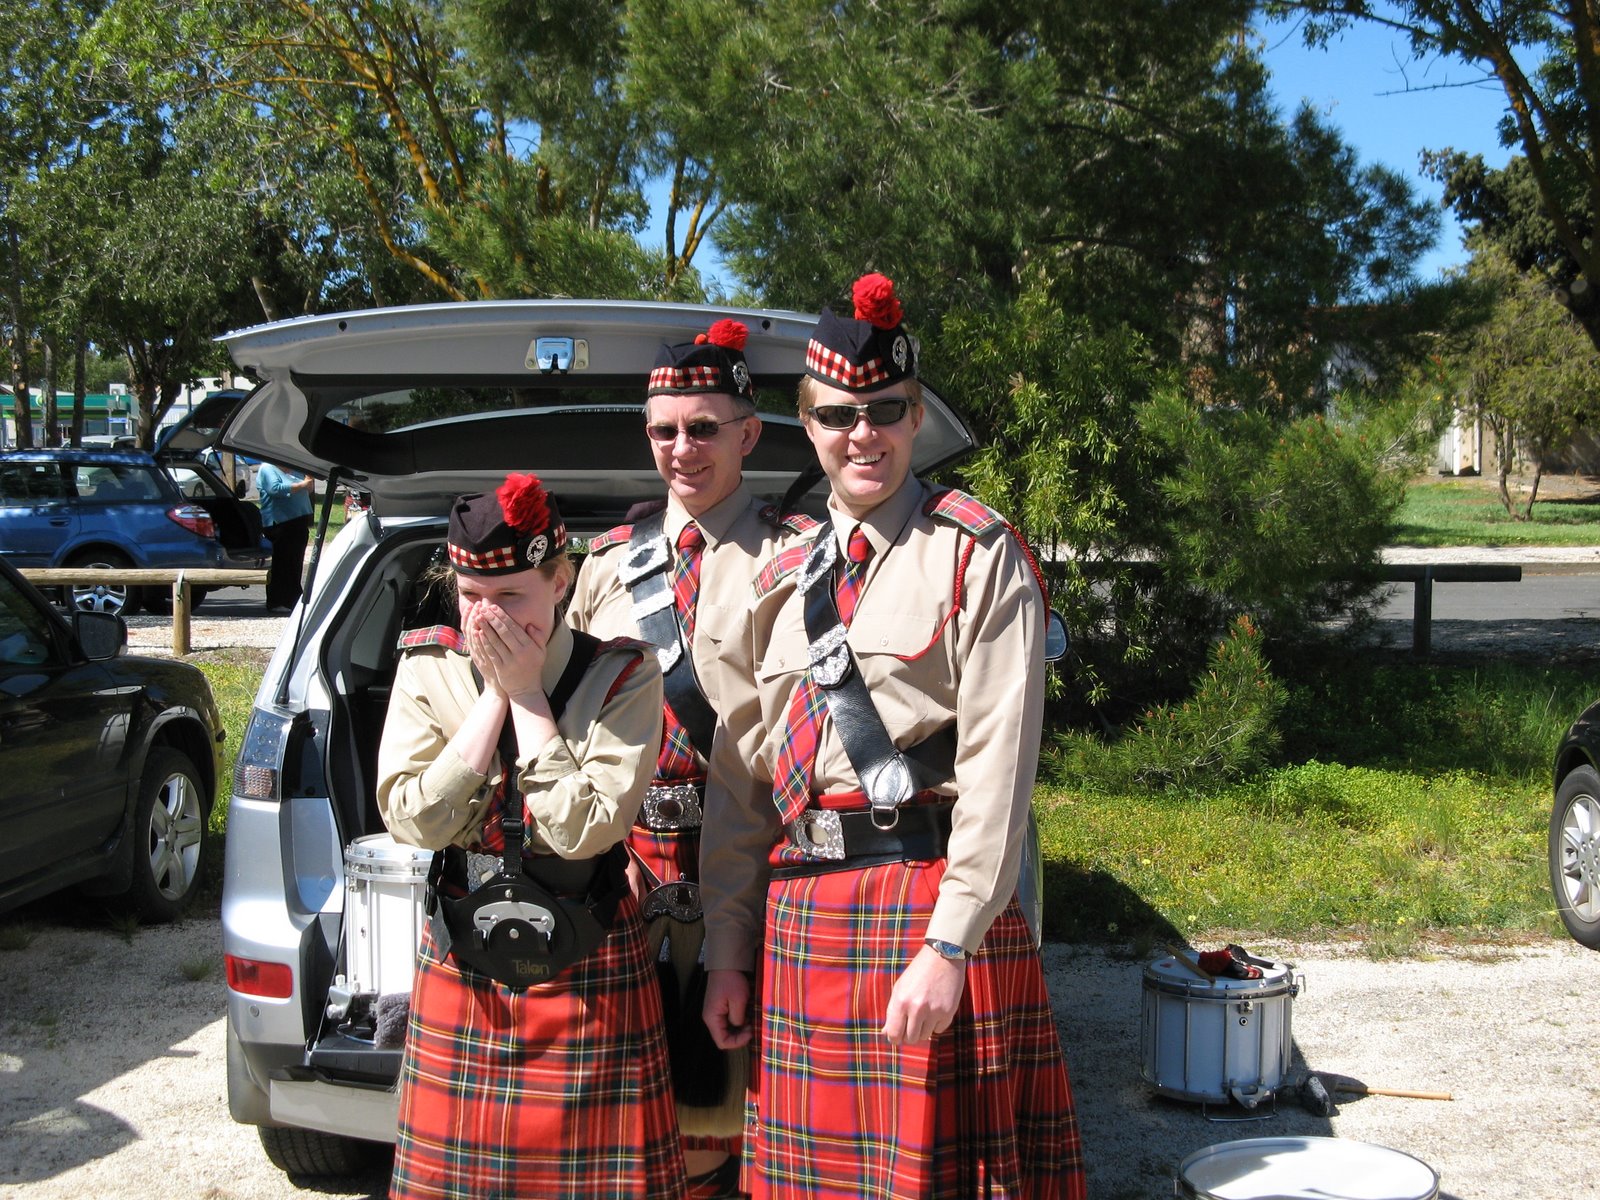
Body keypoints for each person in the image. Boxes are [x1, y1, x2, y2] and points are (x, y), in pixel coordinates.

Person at [699, 274, 1086, 1198]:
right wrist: (727, 949)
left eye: (884, 411)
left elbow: (998, 772)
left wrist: (952, 946)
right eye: (838, 415)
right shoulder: (777, 573)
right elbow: (744, 783)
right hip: (802, 919)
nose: (862, 434)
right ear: (808, 425)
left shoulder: (974, 552)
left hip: (922, 904)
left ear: (915, 418)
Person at [376, 473, 687, 1199]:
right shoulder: (428, 669)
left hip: (587, 955)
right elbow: (413, 821)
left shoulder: (622, 675)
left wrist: (526, 695)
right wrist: (495, 694)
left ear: (560, 580)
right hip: (466, 955)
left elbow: (585, 830)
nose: (488, 617)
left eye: (511, 595)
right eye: (471, 595)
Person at [568, 319, 815, 1199]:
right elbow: (568, 730)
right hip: (629, 880)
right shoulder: (604, 567)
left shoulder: (796, 557)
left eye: (705, 427)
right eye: (665, 429)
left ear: (748, 434)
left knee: (756, 1125)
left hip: (754, 877)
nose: (683, 448)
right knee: (640, 1134)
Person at [254, 461, 314, 614]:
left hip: (299, 520)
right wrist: (302, 484)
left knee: (295, 561)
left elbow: (308, 489)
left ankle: (293, 598)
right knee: (281, 562)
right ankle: (277, 601)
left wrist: (308, 481)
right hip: (279, 522)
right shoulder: (267, 468)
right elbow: (275, 489)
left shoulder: (296, 468)